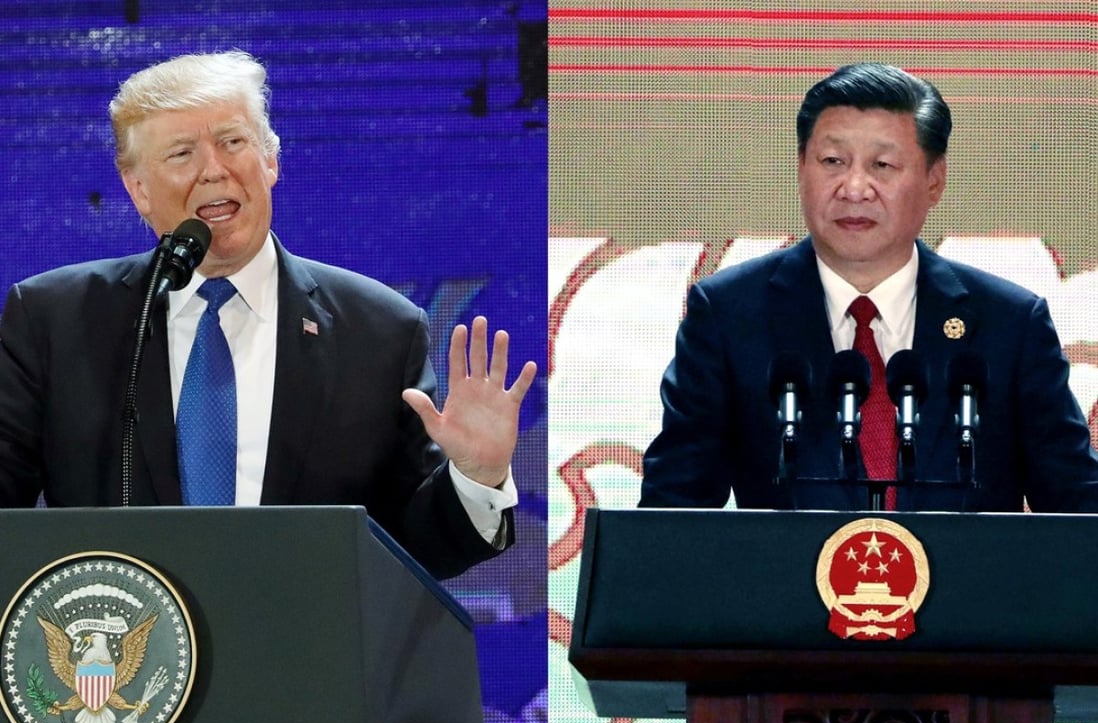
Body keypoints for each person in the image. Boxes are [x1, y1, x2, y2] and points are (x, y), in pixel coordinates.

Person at [0, 51, 536, 579]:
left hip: (310, 657)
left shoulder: (379, 332)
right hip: (122, 656)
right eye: (182, 153)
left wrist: (476, 475)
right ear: (137, 188)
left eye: (233, 142)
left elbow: (416, 553)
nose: (214, 169)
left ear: (271, 160)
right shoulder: (54, 321)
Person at [639, 62, 1098, 513]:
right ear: (801, 168)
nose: (854, 188)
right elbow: (671, 513)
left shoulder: (1009, 325)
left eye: (883, 165)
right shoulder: (728, 315)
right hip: (785, 589)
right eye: (833, 161)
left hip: (969, 589)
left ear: (934, 181)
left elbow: (1078, 509)